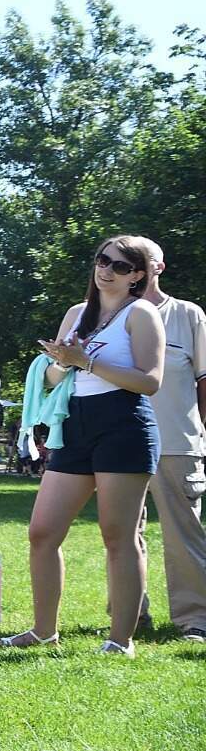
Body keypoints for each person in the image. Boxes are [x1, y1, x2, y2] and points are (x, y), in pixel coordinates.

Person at [10, 237, 166, 657]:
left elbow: (150, 381)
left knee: (118, 537)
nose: (106, 270)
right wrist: (59, 362)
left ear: (137, 275)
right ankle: (44, 631)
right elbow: (54, 379)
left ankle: (121, 641)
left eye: (118, 266)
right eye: (102, 261)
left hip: (124, 425)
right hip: (74, 425)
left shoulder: (142, 313)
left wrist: (87, 362)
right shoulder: (77, 313)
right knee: (42, 532)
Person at [136, 241, 206, 640]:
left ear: (159, 265)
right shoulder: (110, 315)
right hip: (121, 443)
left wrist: (200, 433)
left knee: (184, 535)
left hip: (178, 442)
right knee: (123, 534)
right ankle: (131, 615)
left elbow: (204, 380)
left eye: (139, 261)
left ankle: (194, 619)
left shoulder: (187, 314)